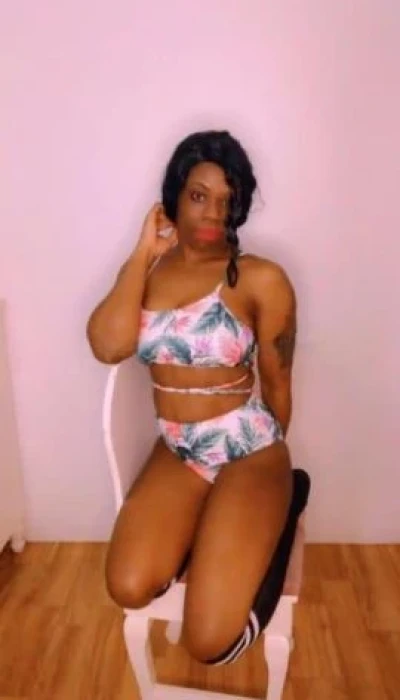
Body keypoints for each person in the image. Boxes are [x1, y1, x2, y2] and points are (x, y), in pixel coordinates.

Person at [87, 130, 310, 665]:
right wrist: (143, 250)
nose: (213, 212)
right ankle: (212, 520)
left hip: (248, 448)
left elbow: (278, 384)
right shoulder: (148, 271)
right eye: (198, 195)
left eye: (226, 199)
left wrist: (266, 475)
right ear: (173, 197)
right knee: (128, 586)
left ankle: (286, 499)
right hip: (179, 449)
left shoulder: (261, 278)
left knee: (208, 642)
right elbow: (108, 345)